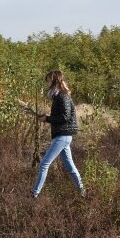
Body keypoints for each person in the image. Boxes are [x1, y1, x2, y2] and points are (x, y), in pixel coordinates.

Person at [31, 70, 85, 198]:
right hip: (63, 135)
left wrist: (47, 119)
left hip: (63, 135)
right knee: (70, 167)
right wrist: (47, 118)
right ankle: (83, 191)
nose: (47, 83)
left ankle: (34, 194)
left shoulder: (62, 96)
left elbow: (65, 117)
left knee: (44, 164)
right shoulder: (59, 96)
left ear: (54, 81)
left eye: (48, 80)